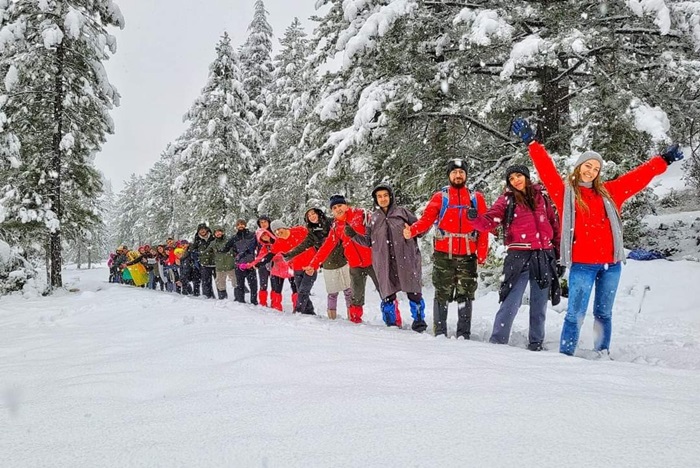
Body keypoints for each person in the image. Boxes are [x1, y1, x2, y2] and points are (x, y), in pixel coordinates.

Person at [511, 117, 684, 356]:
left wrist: (663, 160)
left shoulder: (610, 193)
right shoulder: (566, 194)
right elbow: (546, 168)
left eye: (596, 168)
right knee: (575, 315)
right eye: (588, 165)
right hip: (583, 265)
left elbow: (639, 177)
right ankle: (566, 356)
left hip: (611, 265)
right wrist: (531, 142)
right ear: (580, 166)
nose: (591, 171)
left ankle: (602, 353)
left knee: (604, 314)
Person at [468, 165, 561, 350]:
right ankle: (498, 341)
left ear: (526, 177)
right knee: (511, 300)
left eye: (518, 176)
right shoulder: (506, 200)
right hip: (519, 255)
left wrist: (557, 255)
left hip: (543, 254)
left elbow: (554, 225)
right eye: (511, 178)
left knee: (539, 303)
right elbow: (489, 221)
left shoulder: (541, 197)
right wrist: (475, 219)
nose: (515, 180)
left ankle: (536, 343)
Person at [403, 159, 489, 338]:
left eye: (461, 172)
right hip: (444, 255)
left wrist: (482, 253)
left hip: (467, 255)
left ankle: (463, 334)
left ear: (466, 175)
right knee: (442, 293)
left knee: (466, 294)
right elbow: (426, 220)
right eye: (454, 172)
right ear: (449, 175)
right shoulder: (440, 197)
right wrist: (411, 231)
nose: (458, 175)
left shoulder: (476, 198)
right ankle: (440, 331)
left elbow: (484, 227)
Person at [347, 183, 426, 331]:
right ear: (376, 199)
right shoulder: (374, 218)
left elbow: (421, 229)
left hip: (406, 260)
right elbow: (368, 241)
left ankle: (419, 321)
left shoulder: (403, 213)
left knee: (414, 292)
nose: (382, 199)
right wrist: (353, 235)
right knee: (388, 294)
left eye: (385, 195)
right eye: (379, 196)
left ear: (391, 196)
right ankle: (391, 324)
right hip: (384, 262)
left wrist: (413, 230)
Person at [305, 195, 379, 324]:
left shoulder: (361, 214)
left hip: (373, 261)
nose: (338, 209)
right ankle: (355, 321)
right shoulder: (336, 227)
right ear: (332, 211)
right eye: (334, 207)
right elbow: (326, 247)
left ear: (346, 205)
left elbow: (380, 228)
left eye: (340, 205)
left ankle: (393, 321)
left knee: (385, 291)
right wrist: (313, 264)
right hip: (355, 265)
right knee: (355, 297)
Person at [285, 207, 352, 320]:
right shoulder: (312, 233)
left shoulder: (332, 223)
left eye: (313, 213)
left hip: (343, 259)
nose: (312, 216)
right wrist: (289, 254)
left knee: (348, 290)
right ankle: (332, 318)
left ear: (318, 213)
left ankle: (352, 316)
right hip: (327, 263)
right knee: (332, 292)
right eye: (309, 216)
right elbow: (303, 245)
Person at [239, 228, 297, 311]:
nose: (265, 237)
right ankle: (276, 307)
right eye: (262, 236)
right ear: (260, 239)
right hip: (278, 270)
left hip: (290, 267)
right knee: (277, 290)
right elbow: (259, 258)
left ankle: (297, 307)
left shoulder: (279, 240)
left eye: (265, 234)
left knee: (295, 288)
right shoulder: (265, 247)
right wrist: (249, 265)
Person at [270, 220, 317, 314]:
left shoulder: (300, 230)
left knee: (303, 290)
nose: (278, 232)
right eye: (275, 231)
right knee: (301, 291)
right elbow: (271, 254)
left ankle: (298, 311)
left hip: (310, 266)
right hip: (296, 269)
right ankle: (310, 312)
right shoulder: (278, 242)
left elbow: (315, 236)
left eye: (279, 229)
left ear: (284, 227)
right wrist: (258, 263)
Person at [224, 219, 258, 304]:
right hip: (239, 265)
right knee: (240, 285)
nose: (240, 226)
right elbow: (226, 248)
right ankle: (241, 301)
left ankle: (254, 301)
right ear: (236, 226)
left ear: (245, 225)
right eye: (238, 224)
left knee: (253, 285)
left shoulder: (252, 235)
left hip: (250, 264)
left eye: (242, 224)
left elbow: (259, 245)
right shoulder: (234, 238)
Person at [204, 226, 237, 299]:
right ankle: (223, 299)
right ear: (214, 234)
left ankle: (238, 299)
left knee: (236, 283)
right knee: (220, 285)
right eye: (216, 232)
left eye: (219, 231)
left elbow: (236, 249)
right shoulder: (213, 243)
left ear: (222, 232)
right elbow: (206, 253)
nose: (218, 233)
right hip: (219, 267)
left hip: (231, 265)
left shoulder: (229, 240)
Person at [190, 225, 215, 298]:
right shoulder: (197, 240)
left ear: (207, 229)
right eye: (200, 230)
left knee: (219, 282)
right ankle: (207, 297)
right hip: (204, 264)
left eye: (204, 229)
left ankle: (222, 298)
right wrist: (198, 255)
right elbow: (192, 250)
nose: (202, 231)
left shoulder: (213, 238)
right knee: (205, 282)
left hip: (215, 263)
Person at [255, 215, 273, 306]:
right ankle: (262, 302)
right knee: (263, 283)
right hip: (262, 262)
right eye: (261, 222)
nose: (263, 224)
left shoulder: (274, 232)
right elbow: (251, 247)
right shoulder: (257, 234)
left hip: (275, 261)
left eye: (265, 222)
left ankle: (275, 303)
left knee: (275, 284)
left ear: (269, 222)